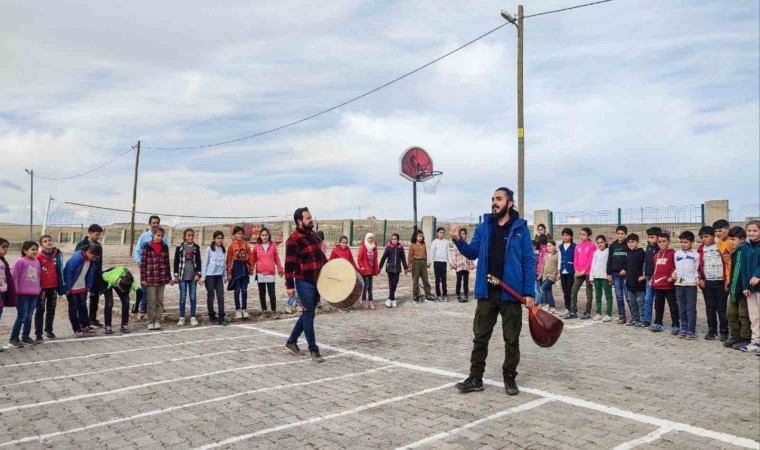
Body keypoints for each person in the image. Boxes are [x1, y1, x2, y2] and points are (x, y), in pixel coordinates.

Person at [451, 187, 535, 396]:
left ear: (509, 203)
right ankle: (475, 378)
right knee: (480, 337)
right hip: (487, 292)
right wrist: (458, 241)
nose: (494, 203)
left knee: (511, 339)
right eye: (492, 199)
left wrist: (529, 292)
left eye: (499, 199)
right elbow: (472, 252)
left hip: (511, 294)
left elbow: (528, 260)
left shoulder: (520, 229)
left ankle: (509, 378)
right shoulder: (484, 227)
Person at [284, 207, 328, 363]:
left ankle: (291, 341)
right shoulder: (293, 240)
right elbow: (289, 265)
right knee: (309, 314)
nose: (311, 220)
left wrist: (330, 270)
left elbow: (321, 257)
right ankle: (314, 350)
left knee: (308, 313)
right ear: (299, 221)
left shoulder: (314, 236)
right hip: (304, 282)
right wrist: (290, 286)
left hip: (318, 281)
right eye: (308, 218)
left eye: (311, 217)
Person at [63, 244, 102, 338]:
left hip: (82, 286)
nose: (94, 259)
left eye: (96, 257)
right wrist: (67, 288)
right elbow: (67, 272)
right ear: (88, 252)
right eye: (93, 256)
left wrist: (88, 285)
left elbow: (91, 272)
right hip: (72, 287)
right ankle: (76, 329)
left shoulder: (92, 260)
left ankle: (86, 326)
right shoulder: (77, 258)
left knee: (83, 307)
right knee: (73, 307)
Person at [698, 226, 728, 341]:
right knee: (710, 308)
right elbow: (699, 265)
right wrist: (700, 278)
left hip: (720, 281)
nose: (704, 239)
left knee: (722, 308)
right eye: (702, 237)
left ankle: (724, 331)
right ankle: (712, 331)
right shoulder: (701, 249)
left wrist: (727, 280)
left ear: (713, 236)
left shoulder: (720, 246)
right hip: (708, 283)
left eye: (706, 236)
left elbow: (728, 262)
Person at [139, 226, 173, 331]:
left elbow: (167, 263)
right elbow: (143, 263)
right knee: (151, 300)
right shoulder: (146, 246)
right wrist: (143, 278)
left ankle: (158, 320)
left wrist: (169, 277)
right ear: (153, 235)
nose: (160, 238)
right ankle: (150, 321)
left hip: (162, 277)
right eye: (158, 235)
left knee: (160, 300)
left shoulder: (164, 247)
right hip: (150, 278)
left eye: (161, 236)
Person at [9, 241, 42, 347]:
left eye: (36, 249)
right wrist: (15, 291)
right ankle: (14, 338)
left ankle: (26, 336)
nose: (35, 251)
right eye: (32, 249)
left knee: (29, 316)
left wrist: (39, 290)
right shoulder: (20, 261)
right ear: (24, 250)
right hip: (22, 294)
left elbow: (38, 277)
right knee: (22, 316)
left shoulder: (37, 262)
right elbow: (14, 277)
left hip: (34, 294)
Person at [35, 234, 66, 342]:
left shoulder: (57, 254)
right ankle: (38, 333)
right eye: (45, 241)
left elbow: (60, 270)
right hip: (42, 287)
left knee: (51, 309)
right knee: (40, 310)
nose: (48, 242)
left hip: (54, 286)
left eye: (49, 240)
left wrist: (61, 286)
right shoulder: (38, 256)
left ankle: (49, 330)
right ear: (41, 245)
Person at [724, 226, 751, 350]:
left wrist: (744, 286)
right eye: (730, 239)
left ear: (742, 239)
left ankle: (745, 338)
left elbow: (744, 271)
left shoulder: (744, 249)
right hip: (734, 288)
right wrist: (730, 282)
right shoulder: (736, 250)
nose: (731, 242)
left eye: (733, 239)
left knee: (743, 315)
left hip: (742, 289)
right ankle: (735, 336)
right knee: (731, 314)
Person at [76, 224, 104, 327]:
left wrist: (99, 274)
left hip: (95, 276)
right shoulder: (81, 244)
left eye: (100, 235)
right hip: (83, 276)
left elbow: (100, 261)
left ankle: (92, 319)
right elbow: (78, 260)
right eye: (97, 234)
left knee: (94, 298)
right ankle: (82, 321)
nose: (98, 236)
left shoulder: (99, 245)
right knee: (82, 299)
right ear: (90, 233)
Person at [650, 233, 679, 334]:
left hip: (669, 286)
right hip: (658, 285)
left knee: (673, 307)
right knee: (658, 306)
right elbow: (655, 270)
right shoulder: (656, 255)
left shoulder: (673, 253)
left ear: (669, 242)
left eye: (664, 241)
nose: (661, 244)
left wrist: (673, 275)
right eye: (659, 242)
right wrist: (652, 279)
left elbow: (676, 267)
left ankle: (675, 324)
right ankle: (658, 323)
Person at [738, 220, 760, 354]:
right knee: (754, 315)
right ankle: (755, 341)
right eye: (749, 231)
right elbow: (744, 269)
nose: (752, 233)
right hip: (750, 288)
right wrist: (745, 286)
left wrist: (758, 275)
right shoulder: (745, 247)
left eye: (755, 230)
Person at [173, 229, 202, 326]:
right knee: (182, 297)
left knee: (193, 297)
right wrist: (176, 275)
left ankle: (193, 317)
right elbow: (176, 261)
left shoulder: (196, 247)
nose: (190, 237)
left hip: (193, 277)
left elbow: (198, 262)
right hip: (182, 276)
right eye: (188, 235)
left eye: (192, 236)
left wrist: (198, 274)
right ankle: (182, 317)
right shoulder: (180, 247)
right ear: (184, 236)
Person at [252, 227, 284, 314]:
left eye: (266, 235)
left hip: (270, 273)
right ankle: (264, 310)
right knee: (262, 293)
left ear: (269, 236)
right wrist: (250, 269)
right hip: (260, 273)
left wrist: (280, 268)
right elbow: (253, 259)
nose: (265, 237)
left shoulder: (273, 245)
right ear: (260, 236)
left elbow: (276, 258)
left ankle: (273, 310)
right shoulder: (256, 247)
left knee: (272, 293)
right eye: (263, 235)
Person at [226, 226, 254, 319]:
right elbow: (229, 260)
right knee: (237, 290)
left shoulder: (246, 245)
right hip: (236, 269)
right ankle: (238, 309)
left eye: (241, 233)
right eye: (238, 233)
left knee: (244, 290)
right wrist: (229, 272)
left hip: (244, 268)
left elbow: (250, 257)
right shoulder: (231, 246)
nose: (240, 235)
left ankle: (244, 309)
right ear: (234, 235)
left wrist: (251, 268)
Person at [102, 266, 139, 334]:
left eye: (123, 290)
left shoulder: (132, 282)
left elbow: (140, 293)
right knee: (109, 303)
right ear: (119, 285)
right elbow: (102, 276)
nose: (121, 291)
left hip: (123, 282)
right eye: (121, 289)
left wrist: (135, 308)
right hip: (107, 281)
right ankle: (107, 326)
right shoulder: (111, 278)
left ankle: (124, 325)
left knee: (126, 301)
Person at [567, 227, 594, 320]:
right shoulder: (578, 246)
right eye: (581, 234)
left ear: (588, 235)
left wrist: (584, 270)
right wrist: (577, 270)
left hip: (588, 272)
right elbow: (575, 259)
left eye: (584, 234)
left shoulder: (591, 246)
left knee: (588, 292)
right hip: (579, 272)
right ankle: (573, 311)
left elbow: (591, 260)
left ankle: (587, 312)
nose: (582, 236)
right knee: (573, 291)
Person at [201, 231, 227, 325]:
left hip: (219, 276)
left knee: (220, 296)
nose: (219, 240)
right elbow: (205, 264)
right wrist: (203, 277)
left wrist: (225, 275)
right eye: (218, 238)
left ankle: (221, 317)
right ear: (214, 239)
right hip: (210, 276)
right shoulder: (209, 249)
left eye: (221, 238)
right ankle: (212, 316)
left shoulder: (223, 250)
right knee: (211, 296)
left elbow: (224, 264)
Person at [607, 225, 630, 324]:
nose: (620, 235)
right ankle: (622, 316)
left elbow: (630, 259)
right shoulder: (613, 245)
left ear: (625, 234)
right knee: (619, 296)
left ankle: (635, 316)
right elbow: (609, 259)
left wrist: (625, 269)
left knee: (628, 296)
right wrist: (608, 273)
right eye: (618, 233)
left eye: (622, 234)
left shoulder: (628, 244)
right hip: (615, 274)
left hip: (626, 274)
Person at [379, 233, 408, 308]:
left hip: (397, 269)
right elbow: (383, 257)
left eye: (395, 239)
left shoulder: (400, 248)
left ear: (398, 240)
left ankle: (391, 298)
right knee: (391, 284)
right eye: (392, 239)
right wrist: (380, 267)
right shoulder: (389, 247)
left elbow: (403, 258)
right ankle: (391, 299)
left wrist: (405, 268)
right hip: (390, 269)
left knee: (395, 284)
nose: (394, 240)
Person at [624, 234, 647, 327]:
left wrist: (643, 275)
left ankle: (642, 319)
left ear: (637, 242)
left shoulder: (641, 252)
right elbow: (627, 266)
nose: (630, 244)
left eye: (632, 242)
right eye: (629, 242)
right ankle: (635, 318)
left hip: (639, 283)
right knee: (632, 302)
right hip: (630, 282)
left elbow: (645, 265)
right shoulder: (628, 253)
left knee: (641, 302)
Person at [642, 227, 662, 328]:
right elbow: (646, 262)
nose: (650, 239)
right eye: (649, 237)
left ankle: (658, 321)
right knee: (648, 299)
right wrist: (645, 274)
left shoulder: (660, 248)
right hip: (649, 277)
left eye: (652, 237)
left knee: (658, 301)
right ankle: (646, 320)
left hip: (658, 278)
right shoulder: (648, 247)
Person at [408, 230, 435, 303]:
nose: (421, 237)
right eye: (419, 236)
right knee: (415, 280)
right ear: (415, 237)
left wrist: (427, 263)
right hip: (416, 262)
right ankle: (416, 296)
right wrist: (409, 266)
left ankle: (428, 294)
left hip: (423, 263)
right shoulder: (412, 245)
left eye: (422, 236)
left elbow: (425, 254)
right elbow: (410, 256)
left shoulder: (424, 245)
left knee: (425, 279)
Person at [590, 235, 612, 322]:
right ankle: (598, 313)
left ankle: (608, 314)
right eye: (598, 243)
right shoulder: (596, 253)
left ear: (605, 242)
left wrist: (610, 276)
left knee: (608, 296)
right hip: (597, 277)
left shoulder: (609, 252)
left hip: (605, 277)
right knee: (598, 296)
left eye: (602, 242)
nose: (600, 244)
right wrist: (591, 277)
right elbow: (593, 265)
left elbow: (610, 264)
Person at [0, 238, 17, 351]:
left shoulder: (3, 261)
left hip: (2, 293)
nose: (6, 249)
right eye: (3, 247)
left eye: (7, 247)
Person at [451, 228, 475, 303]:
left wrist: (471, 264)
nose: (462, 235)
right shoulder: (456, 244)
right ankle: (458, 294)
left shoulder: (468, 243)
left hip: (466, 265)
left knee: (466, 281)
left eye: (464, 234)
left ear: (466, 235)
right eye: (461, 234)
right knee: (459, 280)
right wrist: (454, 263)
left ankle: (465, 295)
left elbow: (471, 254)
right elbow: (454, 254)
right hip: (459, 265)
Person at [357, 233, 379, 309]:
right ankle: (363, 300)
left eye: (372, 238)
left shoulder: (374, 247)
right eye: (369, 238)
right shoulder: (363, 247)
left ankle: (370, 302)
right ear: (366, 238)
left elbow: (375, 258)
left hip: (371, 269)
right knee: (366, 285)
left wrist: (376, 267)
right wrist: (361, 266)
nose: (371, 239)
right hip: (365, 269)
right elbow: (359, 258)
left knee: (370, 286)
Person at [557, 228, 576, 315]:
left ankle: (572, 308)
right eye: (564, 235)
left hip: (571, 270)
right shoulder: (560, 247)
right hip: (562, 270)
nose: (565, 237)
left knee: (570, 290)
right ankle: (567, 308)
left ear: (571, 236)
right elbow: (559, 259)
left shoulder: (575, 246)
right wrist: (558, 271)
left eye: (567, 235)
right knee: (565, 291)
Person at [430, 227, 451, 301]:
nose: (441, 234)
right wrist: (429, 262)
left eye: (443, 233)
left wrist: (450, 262)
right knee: (437, 279)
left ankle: (445, 294)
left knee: (444, 279)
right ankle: (438, 294)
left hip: (444, 262)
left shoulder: (446, 242)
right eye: (440, 232)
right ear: (437, 233)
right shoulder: (434, 242)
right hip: (436, 262)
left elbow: (448, 252)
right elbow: (432, 252)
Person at [539, 239, 559, 313]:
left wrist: (558, 274)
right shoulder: (546, 255)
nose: (548, 247)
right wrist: (541, 274)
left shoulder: (557, 255)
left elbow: (558, 266)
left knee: (542, 289)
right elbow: (543, 266)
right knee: (548, 291)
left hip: (552, 276)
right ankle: (552, 306)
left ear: (554, 246)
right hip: (545, 275)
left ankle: (545, 304)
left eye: (550, 246)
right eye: (547, 246)